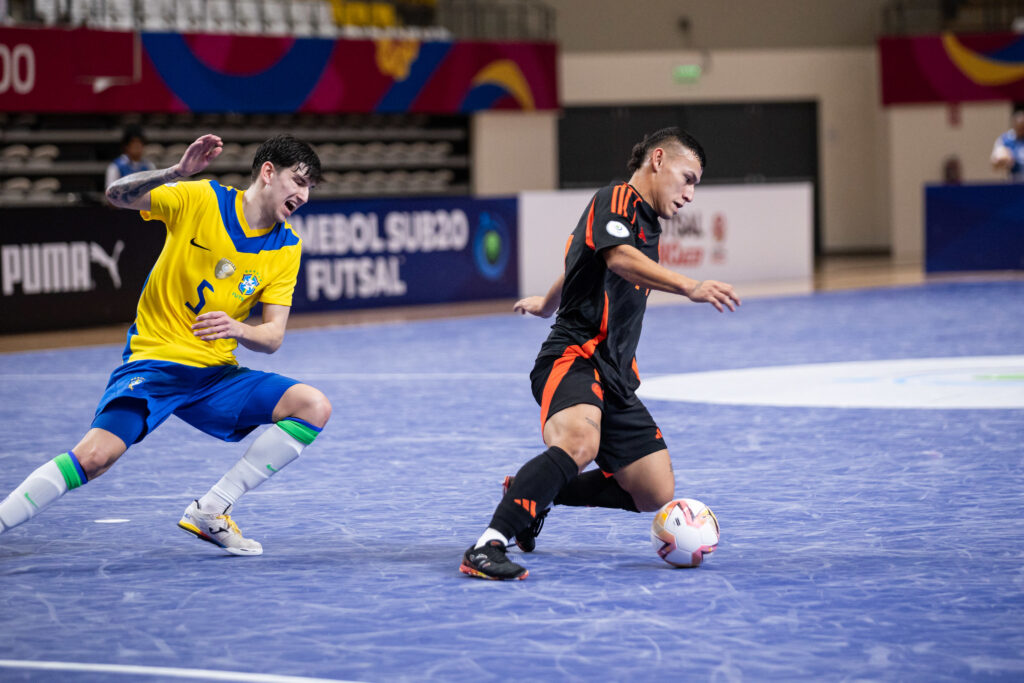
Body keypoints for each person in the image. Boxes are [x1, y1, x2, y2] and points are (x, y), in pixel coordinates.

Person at [0, 133, 331, 556]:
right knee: (96, 457)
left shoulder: (286, 247)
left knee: (313, 406)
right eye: (298, 181)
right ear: (268, 172)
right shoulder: (202, 199)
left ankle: (211, 510)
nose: (303, 195)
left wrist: (239, 329)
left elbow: (272, 336)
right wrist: (177, 173)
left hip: (215, 375)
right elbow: (117, 197)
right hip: (156, 363)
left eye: (309, 188)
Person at [459, 127, 740, 580]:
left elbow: (578, 254)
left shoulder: (646, 224)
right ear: (659, 160)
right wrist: (690, 285)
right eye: (687, 178)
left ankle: (530, 491)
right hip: (574, 355)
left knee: (653, 491)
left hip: (617, 375)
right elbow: (616, 258)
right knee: (579, 444)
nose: (690, 194)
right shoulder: (616, 199)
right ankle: (488, 544)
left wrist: (546, 301)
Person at [105, 124, 157, 189]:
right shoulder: (116, 166)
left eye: (139, 144)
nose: (137, 147)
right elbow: (110, 191)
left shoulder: (149, 166)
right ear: (126, 146)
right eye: (134, 144)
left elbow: (154, 188)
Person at [990, 106, 1024, 182]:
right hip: (1014, 182)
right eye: (1019, 127)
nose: (1021, 130)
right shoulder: (1006, 140)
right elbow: (994, 163)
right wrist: (1002, 160)